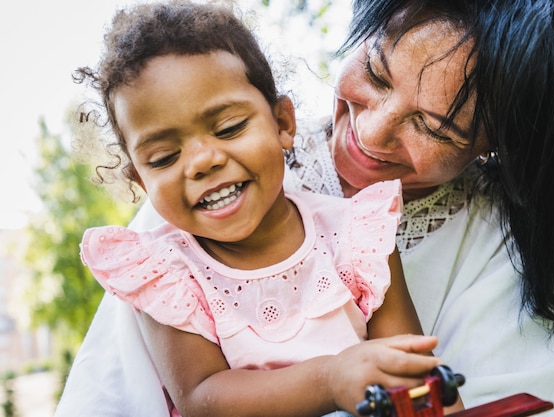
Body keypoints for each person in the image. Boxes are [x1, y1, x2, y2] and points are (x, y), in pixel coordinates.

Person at [56, 0, 554, 416]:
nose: (371, 134)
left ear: (497, 145)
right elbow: (133, 398)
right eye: (376, 73)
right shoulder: (183, 224)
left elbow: (420, 382)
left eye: (434, 126)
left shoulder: (372, 237)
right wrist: (333, 379)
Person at [68, 1, 441, 416]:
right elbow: (202, 399)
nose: (201, 162)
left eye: (228, 128)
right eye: (163, 158)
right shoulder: (167, 273)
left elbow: (414, 373)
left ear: (283, 123)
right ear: (141, 181)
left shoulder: (358, 238)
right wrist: (331, 379)